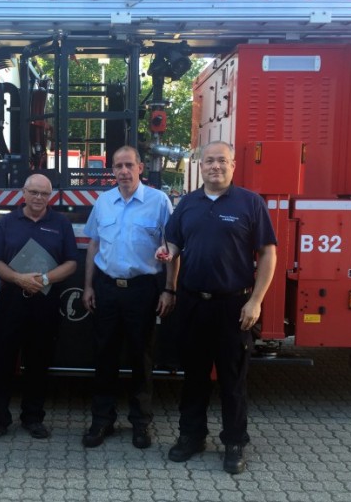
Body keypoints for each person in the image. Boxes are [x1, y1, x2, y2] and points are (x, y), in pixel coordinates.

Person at [157, 140, 277, 474]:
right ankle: (191, 436)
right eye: (209, 161)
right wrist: (166, 264)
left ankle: (235, 442)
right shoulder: (188, 203)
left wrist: (255, 301)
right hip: (193, 303)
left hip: (234, 306)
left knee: (232, 379)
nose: (215, 167)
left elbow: (268, 253)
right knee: (194, 375)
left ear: (233, 165)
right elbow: (173, 244)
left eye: (222, 161)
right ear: (200, 165)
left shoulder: (250, 203)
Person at [82, 145, 178, 449]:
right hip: (107, 289)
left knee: (141, 358)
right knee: (104, 357)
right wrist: (88, 286)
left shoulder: (159, 201)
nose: (123, 171)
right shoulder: (103, 201)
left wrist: (169, 288)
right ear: (112, 170)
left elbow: (174, 249)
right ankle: (102, 421)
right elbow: (94, 247)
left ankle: (141, 423)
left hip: (142, 290)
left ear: (140, 168)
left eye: (129, 165)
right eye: (117, 166)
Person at [0, 173, 78, 445]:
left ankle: (33, 418)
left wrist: (45, 279)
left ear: (50, 196)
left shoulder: (61, 223)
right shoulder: (9, 222)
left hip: (45, 301)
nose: (38, 198)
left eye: (44, 194)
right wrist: (17, 278)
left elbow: (72, 262)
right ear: (24, 192)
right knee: (2, 362)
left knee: (38, 361)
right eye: (33, 192)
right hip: (11, 300)